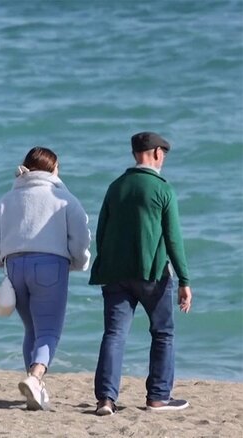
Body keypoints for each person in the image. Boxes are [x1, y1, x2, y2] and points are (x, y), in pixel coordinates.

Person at [90, 132, 193, 415]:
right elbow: (173, 239)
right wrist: (184, 279)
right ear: (157, 153)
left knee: (114, 334)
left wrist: (107, 265)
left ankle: (106, 400)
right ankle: (158, 397)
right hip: (152, 274)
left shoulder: (116, 186)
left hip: (115, 273)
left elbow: (102, 233)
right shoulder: (163, 189)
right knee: (163, 333)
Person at [0, 147, 91, 410]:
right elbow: (81, 235)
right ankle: (34, 377)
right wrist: (80, 261)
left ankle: (35, 387)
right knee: (49, 330)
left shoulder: (8, 198)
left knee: (32, 329)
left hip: (15, 266)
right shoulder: (63, 198)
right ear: (53, 169)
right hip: (50, 265)